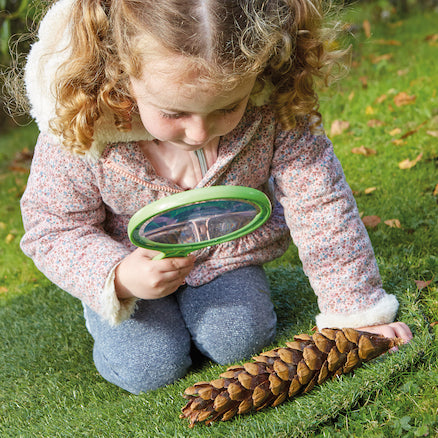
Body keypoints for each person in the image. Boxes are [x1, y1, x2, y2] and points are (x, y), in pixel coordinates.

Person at [18, 0, 412, 394]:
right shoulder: (81, 125)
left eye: (227, 107)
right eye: (173, 113)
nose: (199, 134)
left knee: (239, 339)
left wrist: (357, 311)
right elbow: (53, 227)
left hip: (227, 254)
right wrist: (119, 277)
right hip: (130, 265)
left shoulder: (273, 105)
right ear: (121, 72)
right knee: (150, 367)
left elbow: (321, 204)